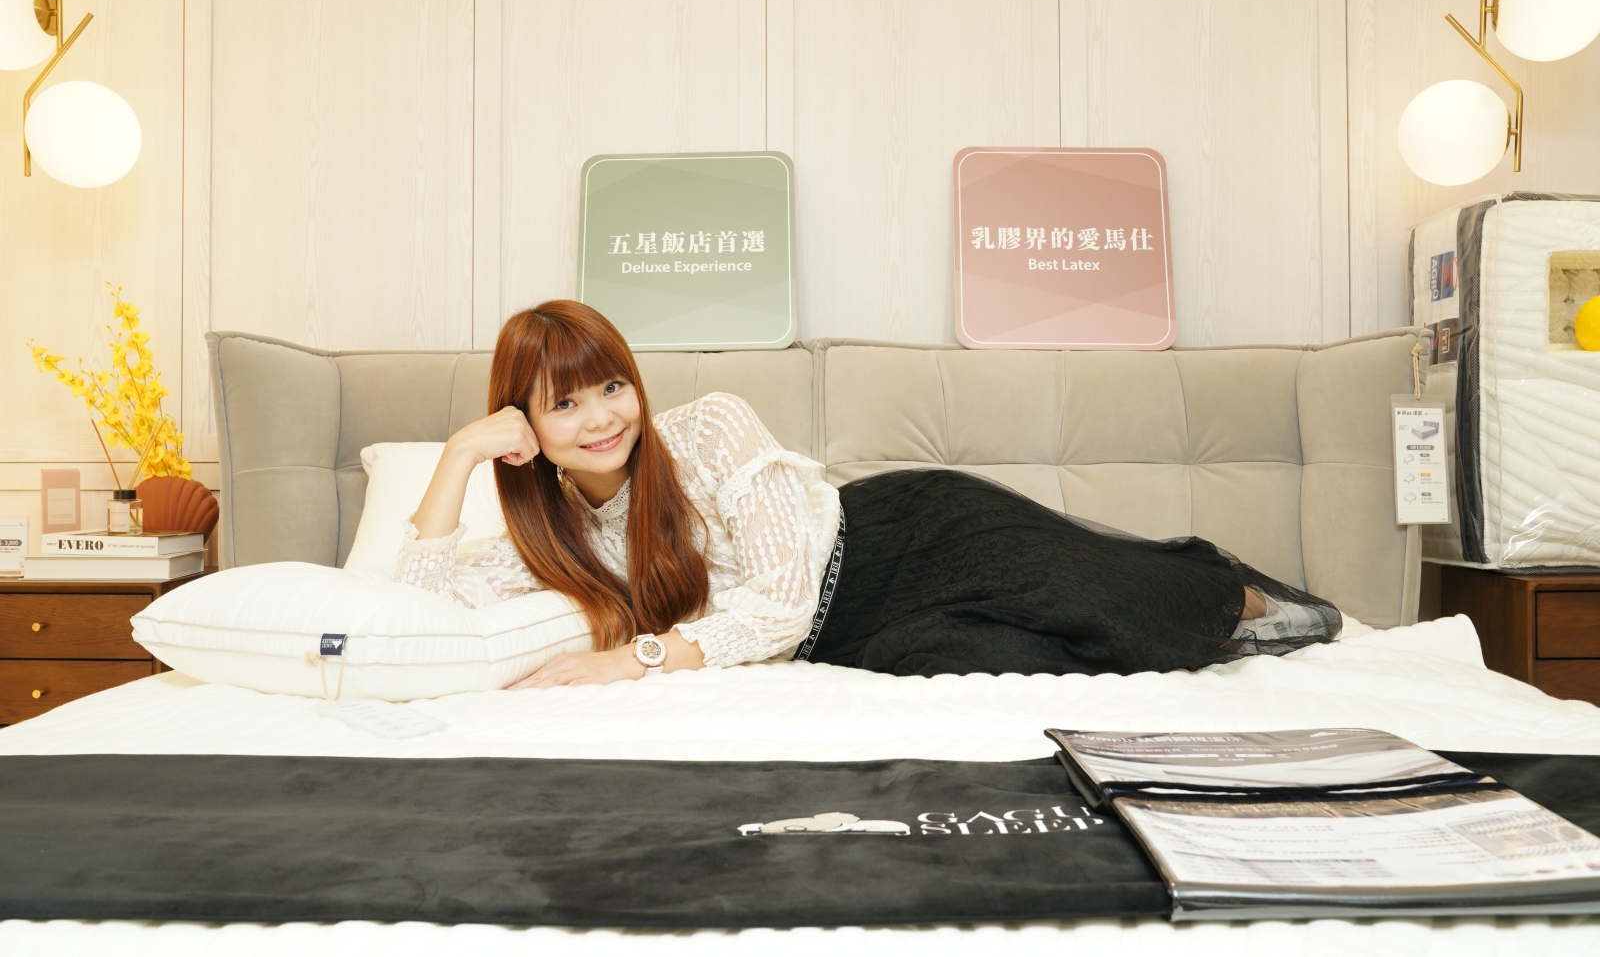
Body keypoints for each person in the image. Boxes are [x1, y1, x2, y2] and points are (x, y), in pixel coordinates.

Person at [399, 300, 1340, 687]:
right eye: (564, 404)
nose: (602, 417)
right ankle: (1170, 628)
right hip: (849, 638)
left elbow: (781, 600)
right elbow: (420, 611)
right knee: (1002, 660)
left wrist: (636, 660)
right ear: (525, 424)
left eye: (612, 385)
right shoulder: (559, 542)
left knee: (1100, 601)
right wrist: (459, 458)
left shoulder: (709, 427)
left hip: (903, 536)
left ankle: (1231, 596)